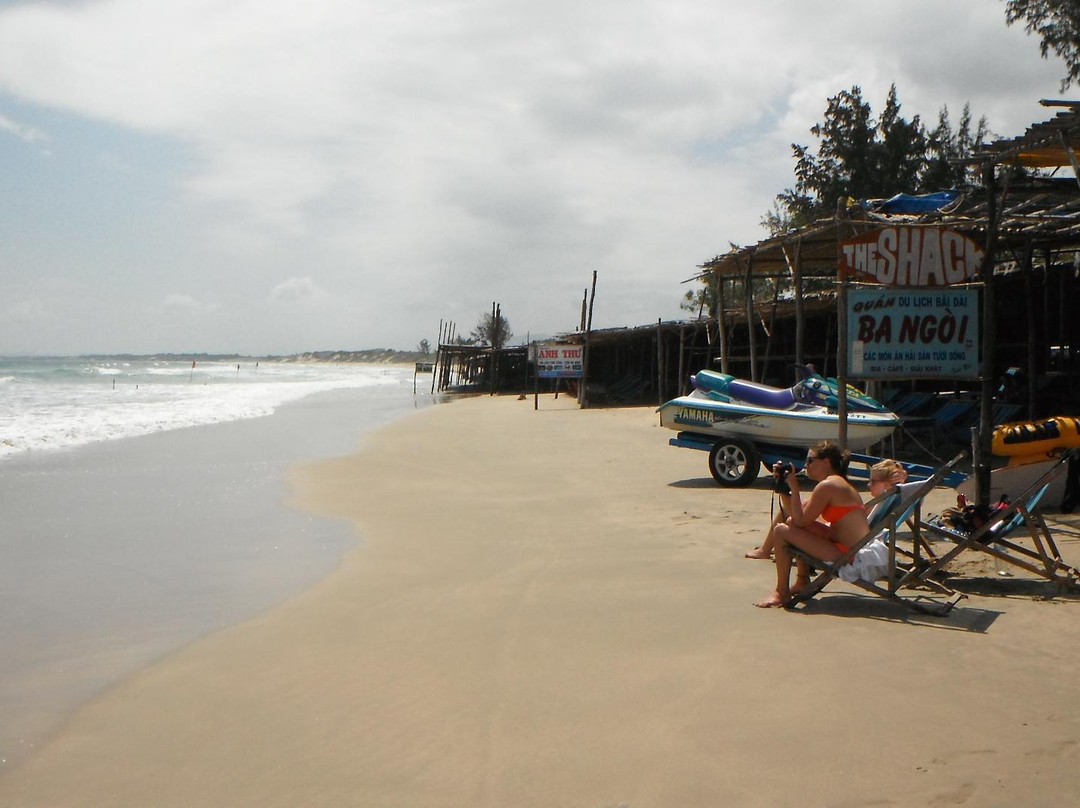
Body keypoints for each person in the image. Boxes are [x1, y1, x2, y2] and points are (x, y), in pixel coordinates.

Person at [754, 441, 873, 609]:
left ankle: (782, 592)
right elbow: (796, 515)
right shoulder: (835, 483)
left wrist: (794, 489)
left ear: (826, 462)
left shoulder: (828, 485)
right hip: (850, 547)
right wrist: (783, 487)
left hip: (848, 554)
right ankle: (802, 579)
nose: (806, 465)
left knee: (781, 531)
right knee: (789, 523)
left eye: (810, 461)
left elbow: (801, 520)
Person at [745, 456, 907, 560]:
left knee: (791, 521)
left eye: (873, 482)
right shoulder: (881, 503)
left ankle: (768, 552)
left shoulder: (880, 501)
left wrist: (791, 487)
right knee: (793, 517)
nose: (868, 484)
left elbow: (800, 519)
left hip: (842, 547)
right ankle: (767, 550)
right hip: (841, 538)